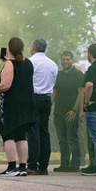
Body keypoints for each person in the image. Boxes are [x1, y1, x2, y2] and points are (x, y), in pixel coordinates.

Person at [0, 37, 35, 176]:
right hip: (27, 104)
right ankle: (22, 167)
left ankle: (11, 167)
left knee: (8, 134)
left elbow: (5, 85)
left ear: (9, 49)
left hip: (11, 105)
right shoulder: (28, 63)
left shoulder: (9, 64)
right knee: (22, 136)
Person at [26, 38, 58, 175]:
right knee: (44, 132)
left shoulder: (30, 62)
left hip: (34, 98)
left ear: (33, 48)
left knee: (33, 132)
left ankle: (32, 165)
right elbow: (54, 83)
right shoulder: (53, 64)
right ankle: (43, 166)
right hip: (47, 99)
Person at [52, 51, 85, 172]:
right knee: (62, 139)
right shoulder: (58, 75)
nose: (65, 62)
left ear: (72, 60)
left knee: (72, 138)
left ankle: (75, 164)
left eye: (67, 59)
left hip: (71, 112)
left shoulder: (77, 74)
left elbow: (81, 93)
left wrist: (75, 110)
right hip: (58, 112)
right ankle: (64, 164)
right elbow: (55, 92)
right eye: (63, 60)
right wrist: (49, 105)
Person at [81, 43, 96, 176]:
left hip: (94, 108)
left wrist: (86, 102)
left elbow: (88, 85)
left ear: (89, 54)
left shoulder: (93, 68)